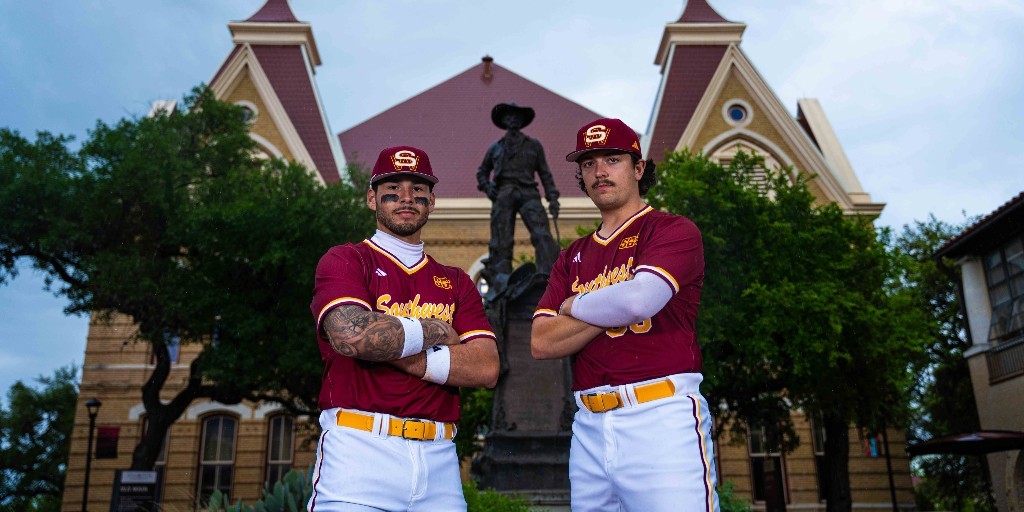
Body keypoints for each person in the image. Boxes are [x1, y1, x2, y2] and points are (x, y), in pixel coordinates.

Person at [530, 118, 719, 511]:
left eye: (612, 159)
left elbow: (640, 301)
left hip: (660, 417)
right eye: (588, 163)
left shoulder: (671, 230)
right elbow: (542, 341)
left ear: (638, 168)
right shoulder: (571, 256)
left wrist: (574, 305)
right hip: (588, 427)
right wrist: (614, 303)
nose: (599, 171)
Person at [309, 145, 499, 512]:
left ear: (431, 201)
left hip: (440, 459)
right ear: (372, 199)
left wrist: (386, 346)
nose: (406, 197)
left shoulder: (456, 281)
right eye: (393, 188)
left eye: (418, 188)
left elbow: (486, 367)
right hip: (359, 450)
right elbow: (353, 335)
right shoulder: (347, 259)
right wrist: (437, 330)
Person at [476, 102, 560, 282]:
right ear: (504, 121)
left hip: (529, 193)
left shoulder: (534, 145)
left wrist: (552, 198)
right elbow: (482, 172)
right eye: (509, 116)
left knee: (542, 234)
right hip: (504, 193)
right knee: (502, 239)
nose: (513, 119)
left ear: (522, 121)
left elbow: (545, 173)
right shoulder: (495, 147)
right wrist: (488, 187)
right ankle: (501, 279)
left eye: (517, 117)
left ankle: (548, 277)